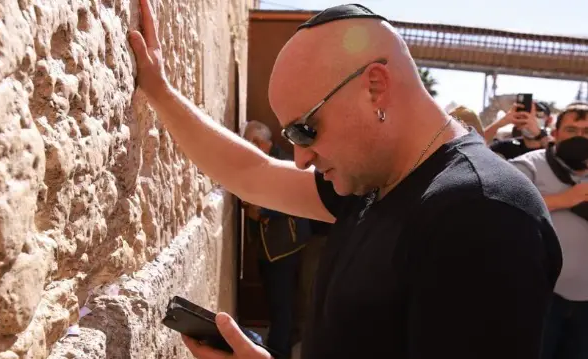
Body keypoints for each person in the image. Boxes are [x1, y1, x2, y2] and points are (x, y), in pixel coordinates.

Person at [128, 2, 562, 359]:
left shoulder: (483, 216)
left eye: (305, 129)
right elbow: (252, 174)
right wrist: (161, 93)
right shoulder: (375, 178)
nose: (300, 159)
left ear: (374, 86)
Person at [509, 102, 588, 359]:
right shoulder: (528, 166)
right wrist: (565, 199)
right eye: (572, 129)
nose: (580, 137)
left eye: (587, 131)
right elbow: (504, 206)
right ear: (555, 133)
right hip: (540, 299)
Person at [242, 120, 311, 358]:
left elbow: (296, 201)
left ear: (261, 143)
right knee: (274, 303)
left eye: (248, 142)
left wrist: (262, 212)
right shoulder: (261, 163)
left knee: (281, 306)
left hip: (283, 248)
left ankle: (278, 352)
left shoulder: (284, 164)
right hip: (266, 248)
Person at [485, 101, 554, 159]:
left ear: (549, 120)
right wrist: (501, 123)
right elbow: (476, 145)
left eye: (538, 115)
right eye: (526, 115)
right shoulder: (507, 147)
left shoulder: (554, 146)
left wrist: (538, 134)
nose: (531, 120)